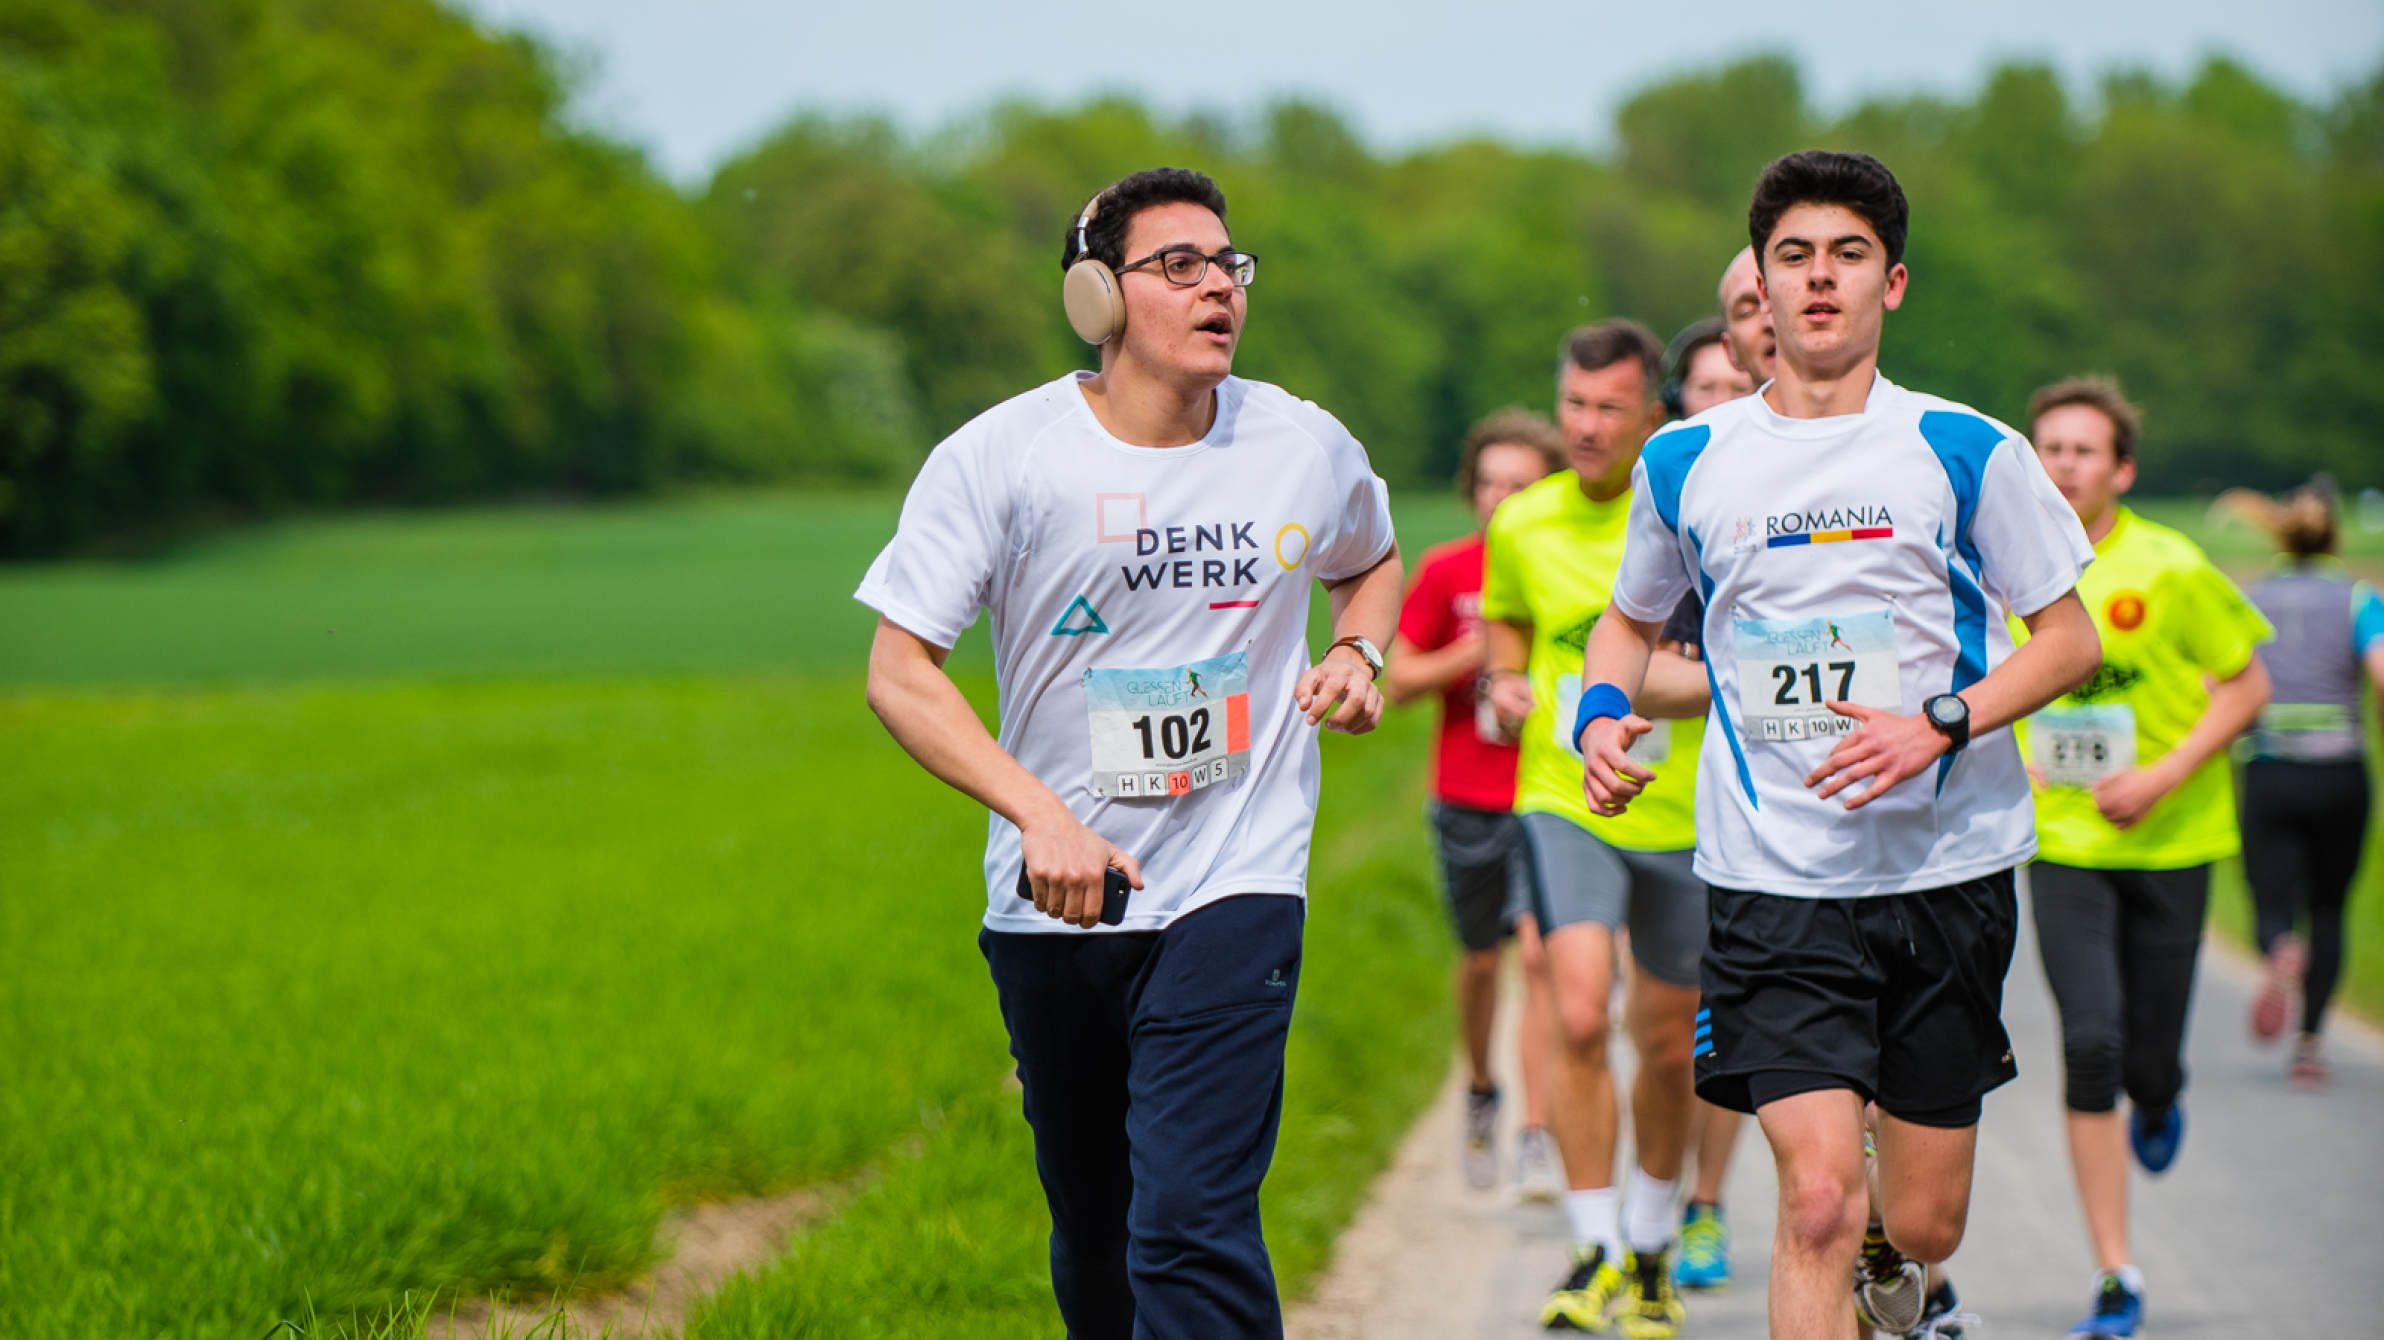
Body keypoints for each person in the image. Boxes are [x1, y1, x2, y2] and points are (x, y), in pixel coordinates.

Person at [857, 167, 1402, 1340]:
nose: (1217, 286)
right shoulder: (1001, 457)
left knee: (1191, 1218)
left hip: (1236, 878)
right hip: (1056, 898)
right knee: (1098, 1233)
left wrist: (1358, 651)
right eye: (1178, 266)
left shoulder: (1298, 442)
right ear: (1096, 297)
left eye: (1228, 264)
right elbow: (899, 670)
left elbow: (1369, 553)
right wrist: (1038, 814)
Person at [1575, 150, 2106, 1340]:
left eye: (1847, 256)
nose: (1819, 280)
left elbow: (2065, 641)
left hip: (1944, 868)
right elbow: (1626, 620)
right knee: (1813, 1197)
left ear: (1893, 284)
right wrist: (1599, 717)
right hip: (1773, 881)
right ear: (1757, 285)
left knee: (1919, 1222)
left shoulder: (1962, 449)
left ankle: (1895, 1255)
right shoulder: (1686, 459)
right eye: (1794, 257)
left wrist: (1938, 721)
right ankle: (1844, 1224)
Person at [2017, 377, 2271, 1339]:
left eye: (2084, 450)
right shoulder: (2005, 572)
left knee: (2149, 1061)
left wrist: (2162, 776)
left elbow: (2248, 687)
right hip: (2064, 845)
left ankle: (2161, 1095)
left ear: (2121, 469)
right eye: (2049, 447)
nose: (2065, 464)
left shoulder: (2171, 566)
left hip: (2173, 838)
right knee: (2091, 1044)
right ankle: (2115, 1273)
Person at [1481, 320, 1713, 1337]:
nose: (1583, 425)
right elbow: (1506, 623)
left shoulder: (1691, 509)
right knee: (1575, 1012)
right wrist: (1499, 679)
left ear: (1649, 414)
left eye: (1607, 407)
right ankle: (1591, 1246)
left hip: (1683, 812)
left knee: (1666, 1043)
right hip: (1562, 797)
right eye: (1572, 403)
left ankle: (1653, 1239)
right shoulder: (1522, 521)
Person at [1386, 408, 1565, 1194]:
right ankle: (1483, 1090)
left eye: (1518, 485)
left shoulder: (1565, 564)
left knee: (1538, 953)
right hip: (1465, 792)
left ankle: (1537, 1130)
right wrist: (1479, 649)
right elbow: (1397, 681)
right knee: (1482, 960)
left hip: (1545, 793)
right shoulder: (1448, 571)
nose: (1499, 499)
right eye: (1488, 483)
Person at [2219, 478, 2384, 1085]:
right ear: (2335, 536)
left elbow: (2219, 681)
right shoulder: (2358, 599)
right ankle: (2310, 1045)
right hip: (2341, 770)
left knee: (2271, 898)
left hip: (2268, 765)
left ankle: (2279, 949)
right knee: (2331, 906)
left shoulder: (2251, 598)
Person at [1659, 309, 1758, 1295]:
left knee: (1717, 1029)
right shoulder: (1667, 497)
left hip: (1766, 825)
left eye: (1739, 386)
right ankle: (1661, 1202)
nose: (1722, 403)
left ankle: (1704, 1202)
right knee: (1651, 1033)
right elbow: (1631, 662)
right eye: (1705, 388)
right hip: (1651, 815)